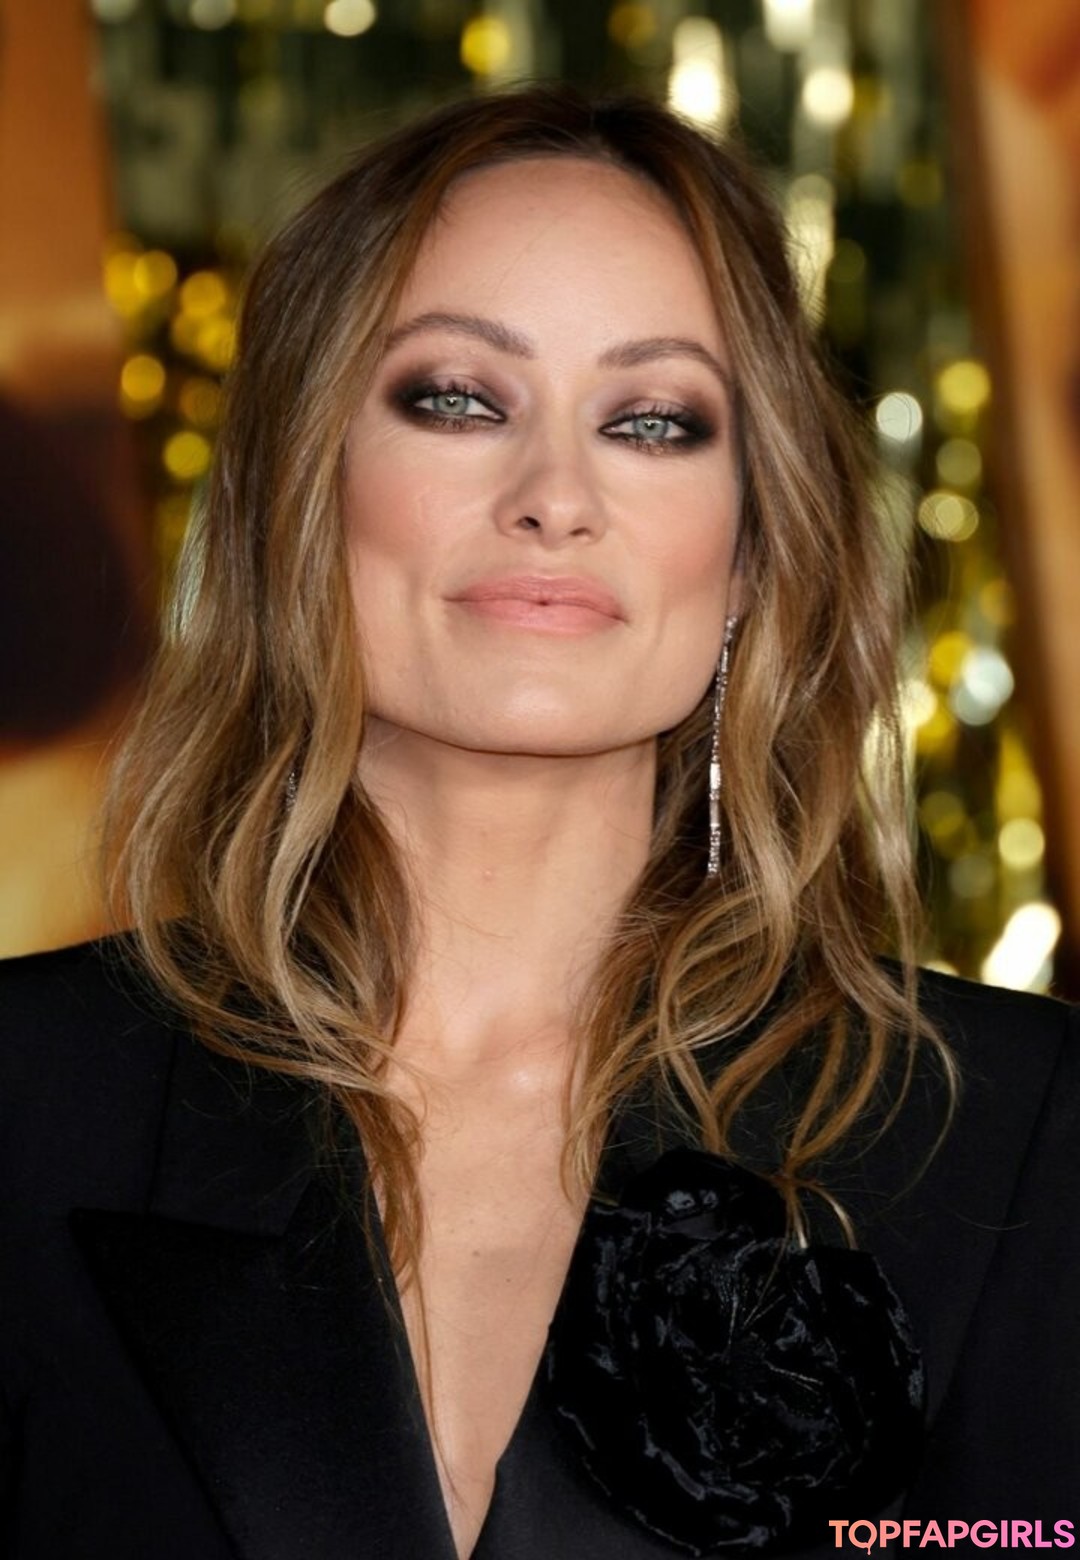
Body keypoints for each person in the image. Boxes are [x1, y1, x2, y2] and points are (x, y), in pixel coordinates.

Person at [1, 83, 1077, 1560]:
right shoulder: (26, 1102)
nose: (555, 497)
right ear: (297, 489)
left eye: (652, 422)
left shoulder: (1023, 1135)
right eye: (458, 399)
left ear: (752, 552)